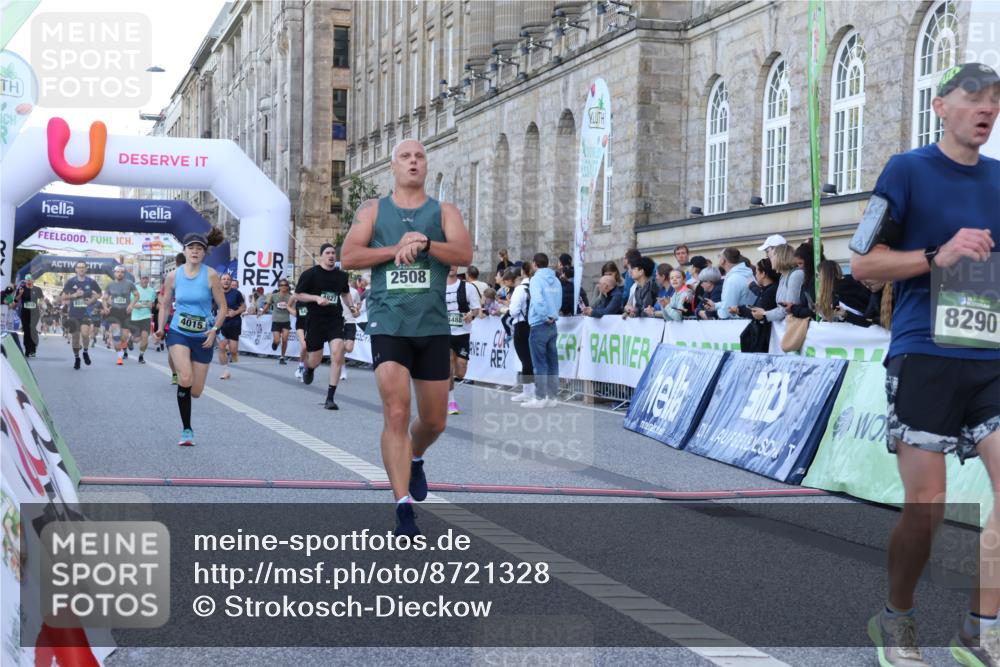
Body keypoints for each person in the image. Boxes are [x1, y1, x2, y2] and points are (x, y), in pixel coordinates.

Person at [850, 62, 1000, 667]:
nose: (985, 108)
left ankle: (979, 628)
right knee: (929, 507)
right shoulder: (907, 170)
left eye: (994, 100)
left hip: (990, 356)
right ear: (940, 106)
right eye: (973, 97)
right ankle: (897, 616)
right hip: (925, 352)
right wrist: (939, 254)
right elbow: (862, 264)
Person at [341, 137, 473, 536]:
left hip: (432, 327)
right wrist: (395, 248)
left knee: (434, 421)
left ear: (426, 166)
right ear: (393, 167)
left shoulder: (443, 211)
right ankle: (402, 508)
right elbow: (349, 257)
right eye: (405, 157)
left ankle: (415, 456)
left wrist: (427, 244)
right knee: (396, 411)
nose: (413, 162)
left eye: (419, 157)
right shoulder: (373, 210)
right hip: (388, 323)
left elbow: (464, 255)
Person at [155, 233, 227, 446]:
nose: (195, 251)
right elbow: (165, 304)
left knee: (195, 391)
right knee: (185, 379)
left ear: (204, 253)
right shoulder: (173, 276)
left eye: (199, 248)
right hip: (179, 331)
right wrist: (160, 328)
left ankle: (181, 366)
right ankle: (187, 430)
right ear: (184, 251)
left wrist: (214, 329)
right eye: (191, 247)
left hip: (203, 335)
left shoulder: (211, 275)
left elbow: (223, 307)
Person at [294, 243, 356, 409]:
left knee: (337, 353)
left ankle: (330, 398)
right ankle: (310, 369)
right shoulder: (310, 274)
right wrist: (316, 298)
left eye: (333, 253)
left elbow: (345, 293)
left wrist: (352, 306)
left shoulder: (342, 275)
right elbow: (298, 294)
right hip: (315, 321)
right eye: (327, 253)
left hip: (335, 320)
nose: (331, 256)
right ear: (321, 256)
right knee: (315, 360)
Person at [522, 251, 561, 409]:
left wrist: (545, 315)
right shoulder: (556, 280)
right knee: (553, 363)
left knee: (540, 363)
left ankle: (540, 398)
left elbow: (537, 300)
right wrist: (552, 315)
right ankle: (552, 397)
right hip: (552, 323)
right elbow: (558, 300)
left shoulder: (536, 280)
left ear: (534, 264)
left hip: (540, 323)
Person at [444, 265, 481, 415]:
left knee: (461, 371)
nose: (451, 267)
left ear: (457, 266)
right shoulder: (437, 287)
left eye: (454, 264)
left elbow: (477, 309)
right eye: (448, 263)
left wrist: (471, 315)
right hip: (444, 332)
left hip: (462, 333)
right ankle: (450, 401)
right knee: (448, 368)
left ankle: (448, 394)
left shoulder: (468, 287)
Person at [61, 261, 101, 369]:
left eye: (83, 267)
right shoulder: (70, 282)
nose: (81, 269)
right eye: (79, 267)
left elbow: (99, 293)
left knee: (85, 334)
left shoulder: (91, 282)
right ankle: (77, 358)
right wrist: (75, 295)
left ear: (86, 269)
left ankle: (85, 352)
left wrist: (92, 300)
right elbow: (63, 297)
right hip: (73, 314)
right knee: (75, 337)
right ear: (76, 270)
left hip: (85, 313)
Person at [507, 264, 535, 402]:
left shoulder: (520, 289)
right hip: (535, 324)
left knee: (525, 359)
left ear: (523, 273)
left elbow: (513, 311)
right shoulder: (537, 286)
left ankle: (528, 391)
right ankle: (533, 390)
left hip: (522, 324)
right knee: (534, 358)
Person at [102, 265, 138, 365]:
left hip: (126, 312)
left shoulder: (130, 284)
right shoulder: (110, 285)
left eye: (122, 272)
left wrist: (131, 305)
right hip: (114, 312)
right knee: (116, 336)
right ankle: (119, 357)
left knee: (124, 336)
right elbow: (104, 298)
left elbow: (136, 295)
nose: (120, 274)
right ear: (114, 273)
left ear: (124, 273)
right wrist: (105, 307)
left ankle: (123, 348)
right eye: (118, 272)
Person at [763, 244, 804, 323]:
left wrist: (765, 314)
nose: (770, 258)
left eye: (773, 255)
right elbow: (781, 307)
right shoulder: (783, 276)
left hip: (793, 326)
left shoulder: (796, 275)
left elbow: (789, 308)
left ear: (781, 257)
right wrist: (764, 313)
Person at [216, 273, 245, 380]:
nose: (226, 281)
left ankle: (233, 354)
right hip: (221, 324)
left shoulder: (236, 293)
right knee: (221, 346)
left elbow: (243, 307)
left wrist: (235, 312)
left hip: (234, 323)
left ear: (230, 281)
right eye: (224, 279)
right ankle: (225, 371)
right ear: (220, 281)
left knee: (233, 351)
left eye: (228, 279)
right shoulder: (216, 293)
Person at [715, 247, 756, 319]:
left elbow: (727, 310)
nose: (718, 259)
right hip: (748, 321)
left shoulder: (733, 279)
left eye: (719, 256)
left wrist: (714, 313)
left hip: (739, 325)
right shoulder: (747, 274)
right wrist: (715, 306)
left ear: (723, 260)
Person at [262, 279, 293, 364]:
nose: (283, 287)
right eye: (281, 285)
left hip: (286, 320)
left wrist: (296, 313)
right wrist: (262, 312)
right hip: (276, 320)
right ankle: (275, 343)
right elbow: (267, 305)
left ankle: (282, 357)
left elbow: (293, 308)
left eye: (285, 285)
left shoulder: (290, 297)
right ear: (279, 286)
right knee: (277, 340)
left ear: (287, 287)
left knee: (285, 339)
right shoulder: (274, 296)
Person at [339, 274, 364, 381]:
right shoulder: (334, 290)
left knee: (348, 348)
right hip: (338, 322)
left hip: (350, 321)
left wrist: (357, 310)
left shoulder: (353, 292)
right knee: (340, 347)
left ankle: (338, 353)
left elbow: (358, 304)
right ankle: (343, 369)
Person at [128, 274, 157, 364]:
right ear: (140, 279)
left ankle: (141, 355)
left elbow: (152, 304)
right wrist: (136, 305)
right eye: (143, 278)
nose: (145, 280)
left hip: (146, 317)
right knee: (137, 339)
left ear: (148, 280)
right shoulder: (134, 290)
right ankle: (131, 339)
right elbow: (131, 304)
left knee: (145, 337)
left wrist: (151, 305)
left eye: (146, 278)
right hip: (135, 317)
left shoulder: (152, 291)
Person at [15, 275, 44, 357]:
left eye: (30, 279)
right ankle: (27, 349)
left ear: (33, 280)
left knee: (32, 328)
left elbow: (42, 298)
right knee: (26, 330)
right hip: (25, 312)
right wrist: (20, 294)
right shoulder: (21, 289)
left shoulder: (37, 289)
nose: (29, 281)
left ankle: (33, 349)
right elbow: (16, 300)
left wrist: (41, 303)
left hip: (34, 312)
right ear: (25, 280)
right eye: (27, 279)